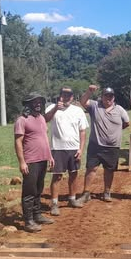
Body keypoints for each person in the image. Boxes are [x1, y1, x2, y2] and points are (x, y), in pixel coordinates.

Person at [77, 85, 130, 203]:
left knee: (109, 170)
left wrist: (115, 132)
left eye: (111, 96)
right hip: (96, 145)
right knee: (91, 169)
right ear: (102, 96)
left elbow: (126, 123)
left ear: (114, 98)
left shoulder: (120, 110)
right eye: (106, 95)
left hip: (112, 147)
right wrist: (89, 91)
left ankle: (107, 192)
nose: (108, 98)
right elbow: (82, 101)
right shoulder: (95, 106)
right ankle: (86, 193)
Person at [14, 92, 55, 233]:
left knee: (38, 189)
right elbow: (18, 141)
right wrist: (22, 162)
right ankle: (28, 221)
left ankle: (37, 215)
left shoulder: (42, 118)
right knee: (29, 192)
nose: (38, 104)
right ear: (28, 104)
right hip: (30, 161)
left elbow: (44, 138)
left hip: (43, 159)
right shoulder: (22, 120)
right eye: (34, 101)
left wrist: (50, 156)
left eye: (40, 102)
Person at [44, 87, 89, 215]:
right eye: (64, 95)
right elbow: (45, 119)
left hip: (74, 148)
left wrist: (81, 149)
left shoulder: (78, 111)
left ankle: (72, 199)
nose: (66, 97)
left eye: (69, 95)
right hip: (57, 148)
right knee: (57, 176)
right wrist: (55, 109)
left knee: (74, 174)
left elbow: (82, 131)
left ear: (72, 97)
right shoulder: (52, 108)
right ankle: (54, 203)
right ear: (60, 96)